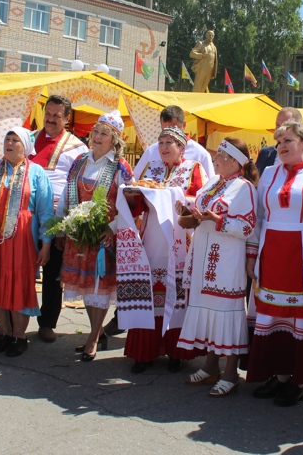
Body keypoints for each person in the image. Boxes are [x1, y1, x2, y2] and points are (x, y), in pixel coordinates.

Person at [246, 121, 303, 406]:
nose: (281, 146)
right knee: (275, 315)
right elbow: (259, 215)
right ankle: (281, 375)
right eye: (278, 142)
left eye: (287, 140)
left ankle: (299, 380)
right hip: (273, 252)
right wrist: (253, 253)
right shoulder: (270, 173)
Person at [177, 138, 258, 397]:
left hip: (226, 258)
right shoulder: (213, 182)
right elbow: (200, 207)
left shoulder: (244, 188)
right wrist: (188, 209)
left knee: (226, 310)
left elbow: (248, 227)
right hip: (203, 254)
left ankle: (231, 373)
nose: (216, 159)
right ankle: (211, 365)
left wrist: (219, 220)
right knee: (208, 310)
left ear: (235, 161)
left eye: (222, 156)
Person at [122, 126, 207, 373]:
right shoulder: (150, 168)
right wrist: (132, 195)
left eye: (170, 142)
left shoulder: (192, 168)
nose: (164, 146)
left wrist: (174, 196)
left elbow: (198, 199)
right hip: (151, 238)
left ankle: (175, 352)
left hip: (178, 238)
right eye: (161, 142)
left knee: (176, 291)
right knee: (148, 293)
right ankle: (144, 352)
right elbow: (139, 203)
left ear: (181, 147)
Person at [0, 128, 53, 357]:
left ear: (25, 146)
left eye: (16, 140)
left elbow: (45, 212)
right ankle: (5, 333)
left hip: (22, 238)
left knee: (19, 285)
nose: (10, 143)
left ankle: (20, 336)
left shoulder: (36, 173)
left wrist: (46, 243)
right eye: (8, 139)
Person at [60, 110, 133, 361]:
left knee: (98, 287)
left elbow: (130, 204)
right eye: (96, 132)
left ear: (115, 139)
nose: (98, 137)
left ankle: (92, 338)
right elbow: (68, 194)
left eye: (104, 133)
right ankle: (97, 332)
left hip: (103, 237)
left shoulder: (120, 168)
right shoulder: (80, 160)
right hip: (79, 235)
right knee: (86, 286)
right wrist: (63, 223)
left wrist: (111, 228)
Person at [28, 95, 87, 344]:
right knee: (18, 271)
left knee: (52, 272)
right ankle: (9, 323)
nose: (50, 119)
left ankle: (47, 323)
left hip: (57, 219)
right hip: (25, 215)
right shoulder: (27, 139)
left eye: (56, 116)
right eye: (48, 114)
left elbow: (81, 183)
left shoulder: (77, 148)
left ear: (67, 118)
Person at [133, 105, 214, 180]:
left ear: (184, 125)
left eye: (173, 129)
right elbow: (135, 179)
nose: (170, 133)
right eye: (165, 130)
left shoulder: (201, 154)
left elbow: (209, 186)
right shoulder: (151, 151)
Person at [256, 108, 303, 176]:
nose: (280, 129)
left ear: (299, 128)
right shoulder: (265, 154)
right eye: (277, 125)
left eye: (285, 125)